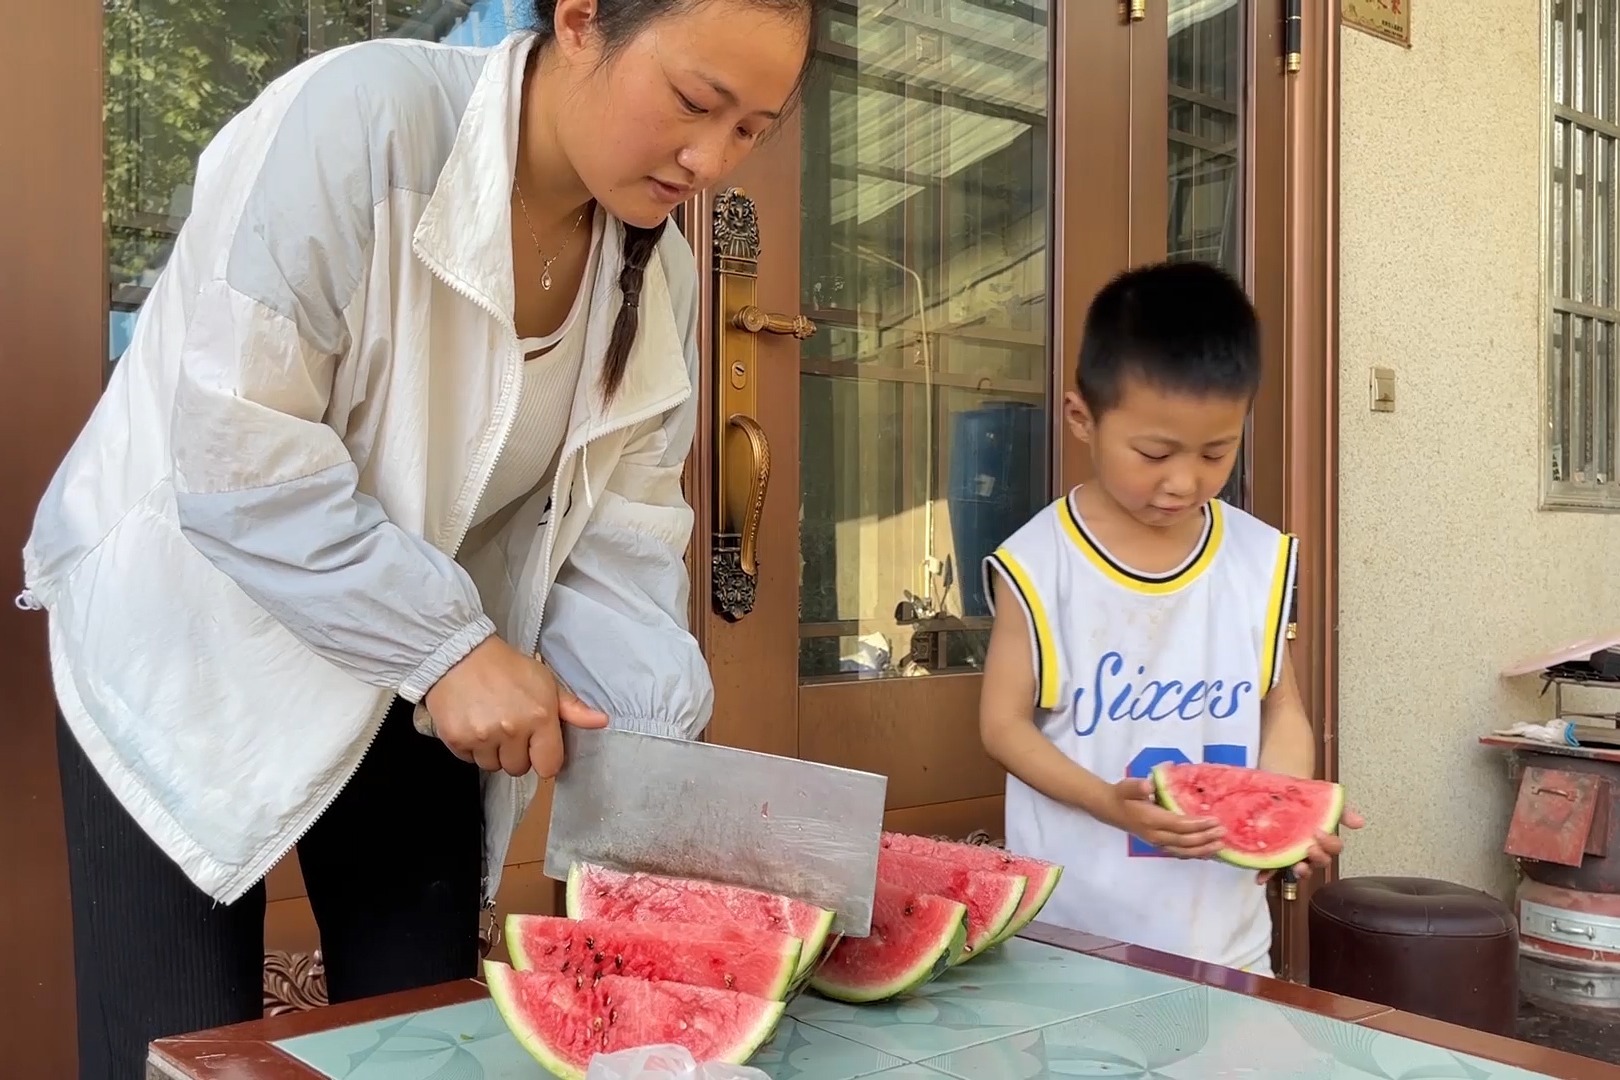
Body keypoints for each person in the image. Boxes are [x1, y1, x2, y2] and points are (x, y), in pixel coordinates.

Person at [17, 0, 821, 1073]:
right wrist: (447, 649)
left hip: (428, 659)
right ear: (580, 19)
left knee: (425, 1045)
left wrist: (656, 784)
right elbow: (233, 454)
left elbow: (619, 548)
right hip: (192, 633)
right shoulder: (363, 124)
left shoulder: (660, 277)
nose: (710, 160)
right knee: (172, 1055)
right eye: (693, 103)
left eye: (752, 131)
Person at [977, 261, 1364, 976]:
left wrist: (1286, 804)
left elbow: (1281, 709)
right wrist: (1104, 802)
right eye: (1154, 453)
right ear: (1081, 418)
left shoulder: (1258, 558)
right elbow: (1002, 725)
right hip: (1072, 941)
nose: (1184, 480)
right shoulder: (1039, 564)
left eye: (1217, 452)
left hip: (1228, 946)